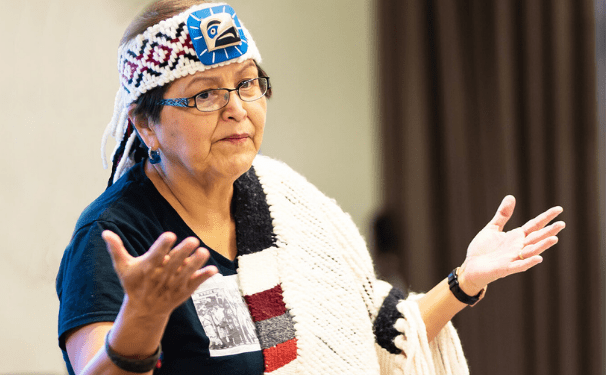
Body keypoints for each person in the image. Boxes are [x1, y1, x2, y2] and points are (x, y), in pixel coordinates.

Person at [55, 1, 565, 374]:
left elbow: (376, 340)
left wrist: (464, 281)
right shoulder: (114, 239)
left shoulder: (282, 204)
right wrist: (140, 319)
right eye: (205, 93)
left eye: (247, 83)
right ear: (146, 126)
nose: (236, 107)